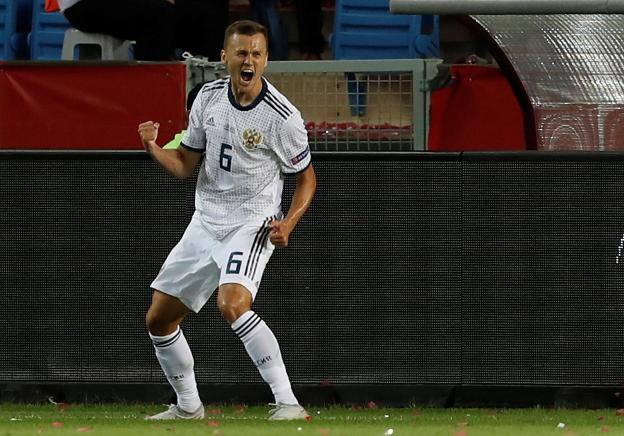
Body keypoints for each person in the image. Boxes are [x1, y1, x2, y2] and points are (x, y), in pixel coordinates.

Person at [137, 20, 316, 421]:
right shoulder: (207, 99)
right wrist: (151, 146)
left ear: (266, 60)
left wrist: (288, 223)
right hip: (206, 221)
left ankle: (288, 402)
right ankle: (188, 406)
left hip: (251, 223)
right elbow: (185, 165)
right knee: (159, 318)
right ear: (225, 57)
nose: (248, 60)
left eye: (256, 53)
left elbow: (306, 179)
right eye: (241, 52)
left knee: (232, 303)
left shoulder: (282, 117)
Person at [58, 0, 227, 61]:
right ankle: (153, 86)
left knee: (208, 10)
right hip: (81, 5)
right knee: (159, 14)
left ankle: (205, 82)